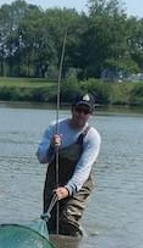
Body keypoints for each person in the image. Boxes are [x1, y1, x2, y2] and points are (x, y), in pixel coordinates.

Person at [36, 93, 101, 236]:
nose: (81, 115)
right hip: (55, 177)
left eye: (86, 112)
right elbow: (41, 158)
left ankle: (77, 243)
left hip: (80, 182)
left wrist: (68, 190)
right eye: (78, 110)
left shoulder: (92, 137)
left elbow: (84, 168)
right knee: (50, 224)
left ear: (91, 114)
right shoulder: (55, 127)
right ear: (72, 109)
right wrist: (52, 147)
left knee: (68, 221)